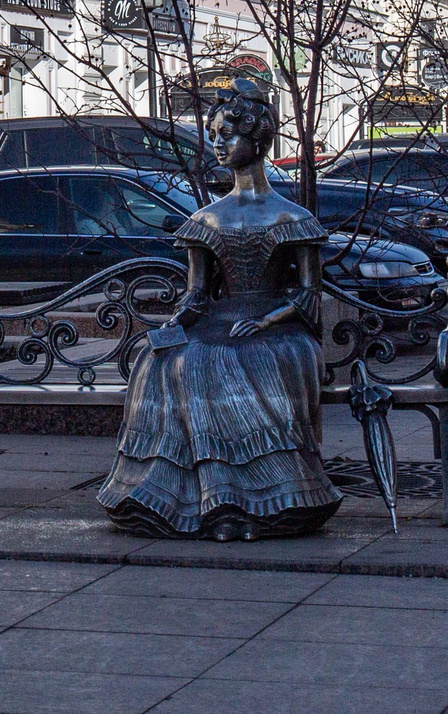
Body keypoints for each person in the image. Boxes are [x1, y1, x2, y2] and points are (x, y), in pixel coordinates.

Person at [96, 79, 342, 540]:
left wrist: (267, 320)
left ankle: (269, 500)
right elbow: (196, 296)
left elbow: (309, 296)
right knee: (164, 360)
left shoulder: (292, 218)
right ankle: (184, 499)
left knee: (235, 360)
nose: (218, 144)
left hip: (280, 331)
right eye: (213, 135)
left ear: (257, 138)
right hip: (220, 322)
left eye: (227, 134)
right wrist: (174, 324)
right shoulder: (206, 220)